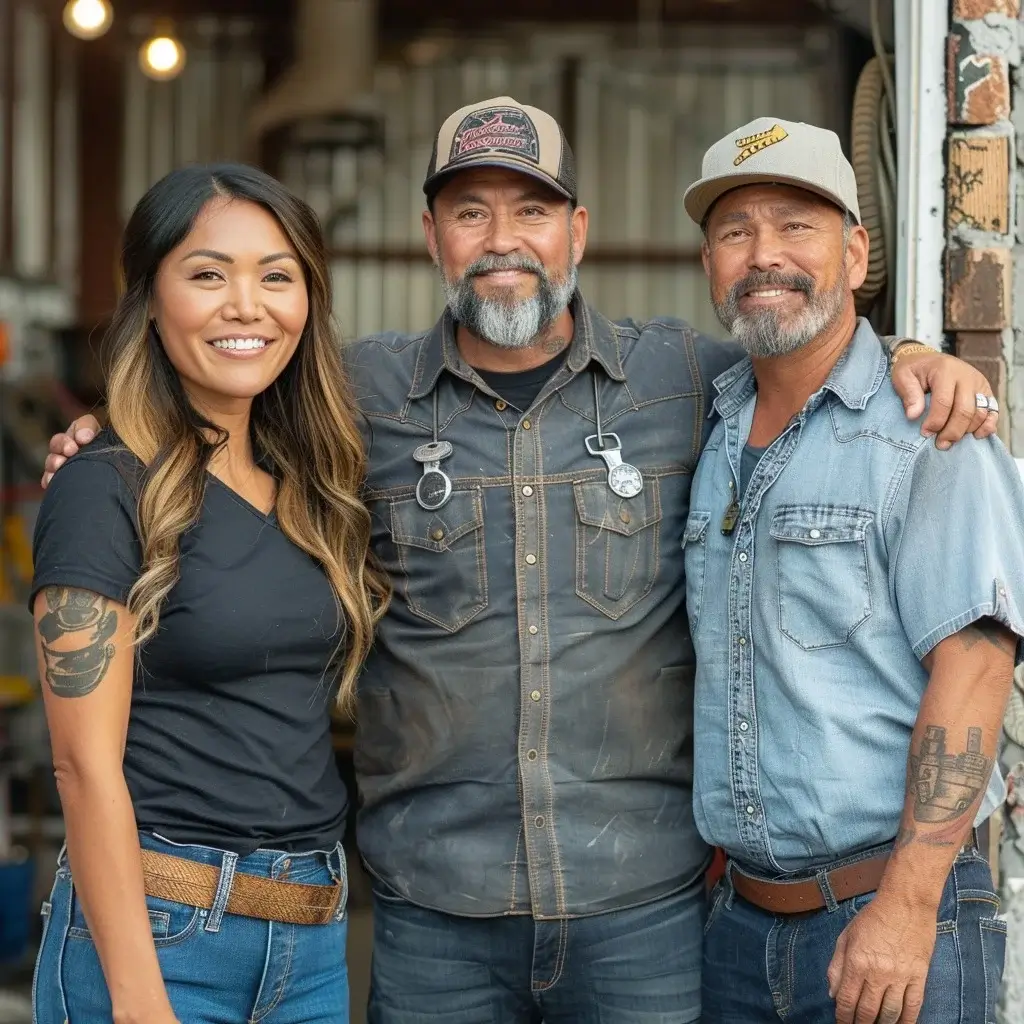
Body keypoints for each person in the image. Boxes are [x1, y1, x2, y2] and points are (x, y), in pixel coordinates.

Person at [42, 99, 998, 1023]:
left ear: (577, 231)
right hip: (430, 914)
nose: (504, 239)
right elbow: (231, 372)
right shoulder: (355, 397)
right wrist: (114, 435)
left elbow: (805, 352)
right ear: (432, 236)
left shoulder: (679, 380)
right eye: (471, 211)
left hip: (642, 911)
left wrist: (913, 357)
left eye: (532, 210)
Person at [682, 116, 1024, 1024]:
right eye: (734, 231)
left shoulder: (931, 433)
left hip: (894, 923)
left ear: (857, 250)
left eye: (797, 225)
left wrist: (906, 909)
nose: (764, 255)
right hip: (737, 933)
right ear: (709, 261)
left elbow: (978, 666)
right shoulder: (707, 429)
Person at [29, 163, 388, 1024]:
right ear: (150, 300)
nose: (246, 305)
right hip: (162, 936)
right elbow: (82, 766)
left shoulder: (313, 484)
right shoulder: (104, 487)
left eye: (276, 275)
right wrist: (138, 996)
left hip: (310, 939)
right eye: (206, 274)